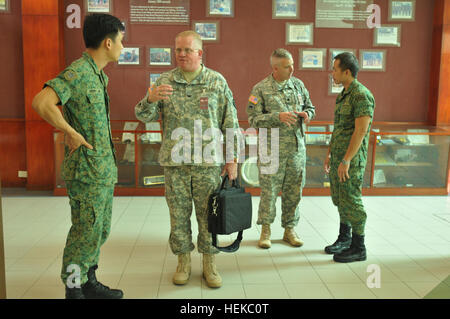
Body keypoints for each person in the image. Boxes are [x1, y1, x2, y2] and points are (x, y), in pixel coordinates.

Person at [135, 30, 240, 288]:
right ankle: (183, 261)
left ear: (199, 53)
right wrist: (150, 99)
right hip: (175, 164)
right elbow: (143, 116)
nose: (181, 54)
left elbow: (231, 123)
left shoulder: (216, 81)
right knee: (178, 215)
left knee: (209, 215)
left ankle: (209, 263)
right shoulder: (164, 81)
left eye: (187, 50)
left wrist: (232, 159)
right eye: (177, 49)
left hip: (208, 163)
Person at [31, 14, 125, 299]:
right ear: (108, 43)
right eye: (121, 41)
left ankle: (88, 281)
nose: (123, 46)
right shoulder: (79, 72)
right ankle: (73, 289)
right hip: (85, 171)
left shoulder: (97, 74)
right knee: (84, 232)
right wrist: (69, 131)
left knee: (99, 231)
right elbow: (41, 102)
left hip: (101, 171)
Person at [246, 48, 316, 249]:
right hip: (271, 149)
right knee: (269, 192)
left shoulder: (298, 85)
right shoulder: (260, 89)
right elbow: (253, 119)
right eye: (287, 66)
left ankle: (289, 229)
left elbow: (311, 107)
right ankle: (266, 230)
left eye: (292, 64)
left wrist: (307, 115)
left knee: (294, 191)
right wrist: (278, 117)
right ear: (275, 68)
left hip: (296, 149)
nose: (292, 69)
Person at [324, 52, 375, 263]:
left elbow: (360, 131)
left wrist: (346, 160)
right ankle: (344, 238)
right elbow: (339, 130)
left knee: (352, 200)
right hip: (338, 156)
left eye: (335, 69)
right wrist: (330, 154)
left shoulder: (361, 95)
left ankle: (358, 246)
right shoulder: (343, 94)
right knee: (340, 198)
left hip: (350, 160)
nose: (332, 73)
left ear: (347, 71)